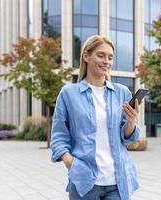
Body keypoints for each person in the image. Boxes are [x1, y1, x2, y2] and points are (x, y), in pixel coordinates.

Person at [50, 35, 141, 200]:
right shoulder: (69, 94)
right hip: (84, 181)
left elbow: (127, 138)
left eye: (110, 57)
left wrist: (131, 120)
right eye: (101, 55)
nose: (107, 61)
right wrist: (70, 162)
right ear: (86, 56)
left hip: (118, 181)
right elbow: (58, 135)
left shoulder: (122, 93)